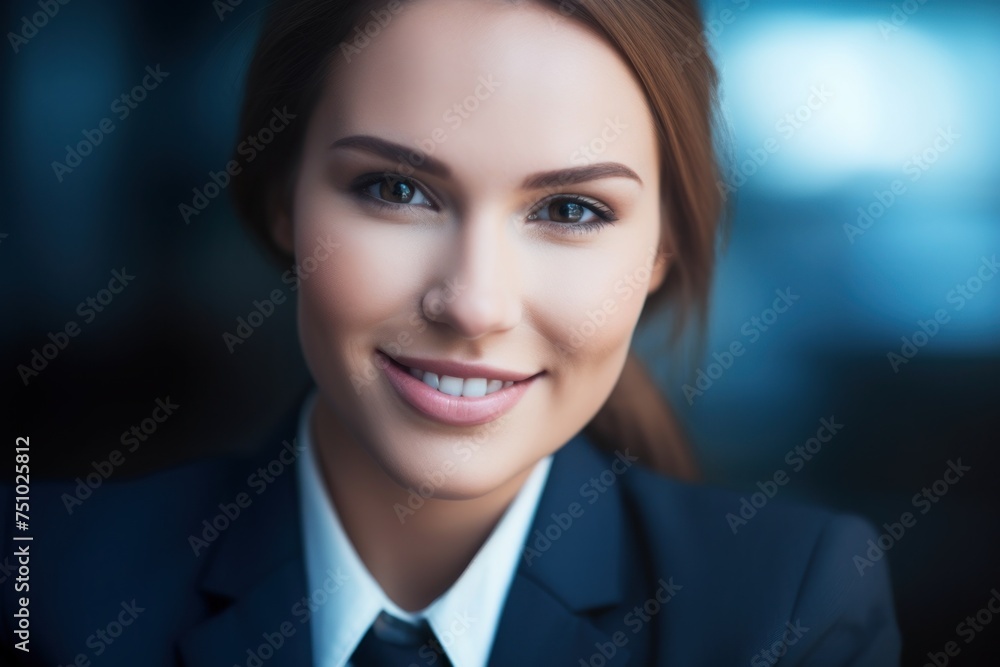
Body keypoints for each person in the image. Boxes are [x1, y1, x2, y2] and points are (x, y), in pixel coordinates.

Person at [2, 0, 900, 664]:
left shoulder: (791, 607)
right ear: (283, 201)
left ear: (662, 248)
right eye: (397, 190)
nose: (473, 302)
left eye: (572, 209)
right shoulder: (41, 576)